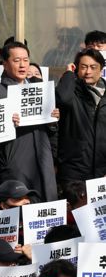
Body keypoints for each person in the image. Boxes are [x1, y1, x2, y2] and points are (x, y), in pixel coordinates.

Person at [0, 41, 59, 202]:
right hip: (15, 162)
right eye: (16, 60)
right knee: (19, 208)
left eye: (26, 60)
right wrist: (7, 122)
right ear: (5, 64)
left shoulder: (40, 89)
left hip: (43, 158)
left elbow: (52, 131)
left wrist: (52, 119)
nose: (22, 65)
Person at [55, 49, 106, 185]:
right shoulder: (72, 91)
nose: (88, 71)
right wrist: (68, 74)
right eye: (83, 67)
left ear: (101, 69)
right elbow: (63, 99)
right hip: (74, 171)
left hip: (101, 170)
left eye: (93, 67)